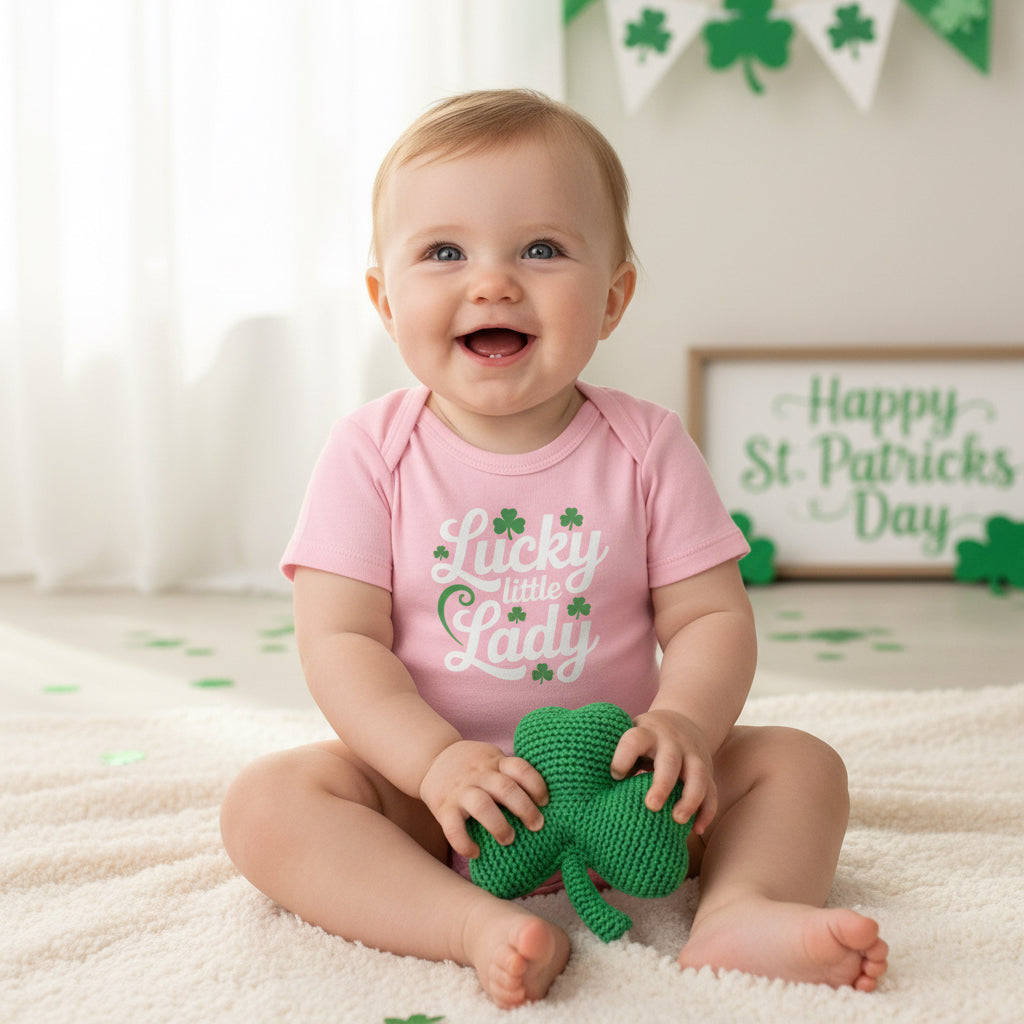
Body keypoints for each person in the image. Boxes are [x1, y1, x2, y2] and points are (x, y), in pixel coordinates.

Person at [220, 88, 888, 1009]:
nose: (491, 282)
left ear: (613, 298)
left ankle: (741, 908)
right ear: (384, 298)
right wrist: (433, 762)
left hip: (629, 788)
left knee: (799, 764)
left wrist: (686, 726)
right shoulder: (371, 451)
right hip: (433, 800)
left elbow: (708, 617)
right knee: (270, 802)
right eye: (444, 252)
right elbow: (341, 643)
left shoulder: (646, 446)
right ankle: (467, 924)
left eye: (541, 249)